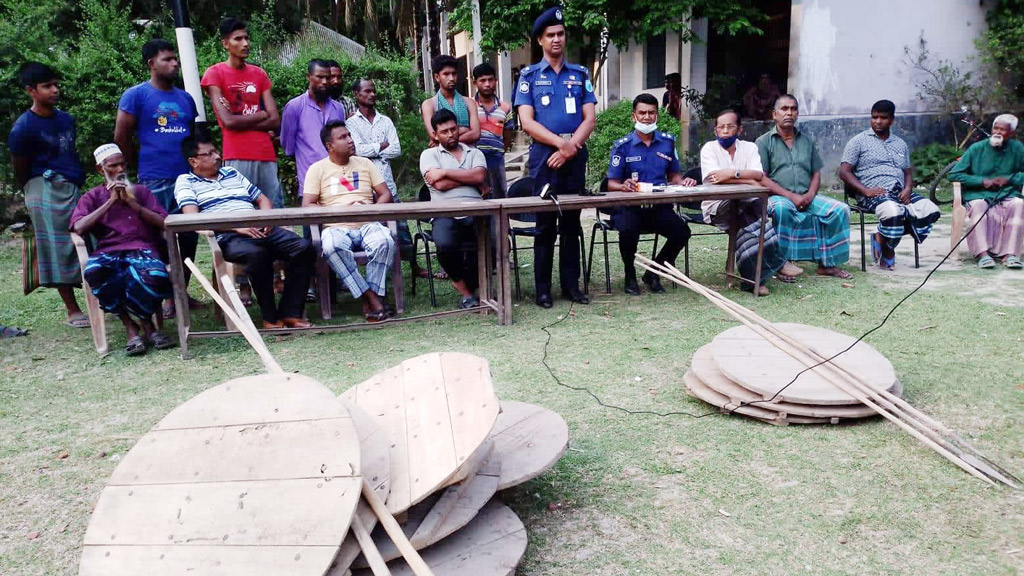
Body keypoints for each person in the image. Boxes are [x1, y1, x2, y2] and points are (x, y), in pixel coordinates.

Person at [174, 135, 314, 329]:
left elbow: (263, 199)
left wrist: (265, 218)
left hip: (259, 226)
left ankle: (291, 312)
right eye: (209, 153)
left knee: (304, 247)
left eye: (216, 151)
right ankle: (270, 318)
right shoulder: (185, 181)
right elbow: (192, 218)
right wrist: (236, 226)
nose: (217, 156)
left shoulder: (231, 173)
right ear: (193, 161)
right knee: (257, 254)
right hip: (229, 235)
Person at [514, 6, 597, 308]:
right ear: (540, 40)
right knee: (545, 224)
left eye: (561, 34)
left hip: (574, 156)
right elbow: (527, 121)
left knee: (572, 224)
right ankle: (543, 290)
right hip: (544, 159)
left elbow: (589, 118)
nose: (557, 39)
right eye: (550, 35)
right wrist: (560, 146)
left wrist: (571, 147)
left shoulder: (580, 75)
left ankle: (571, 287)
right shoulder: (529, 76)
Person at [114, 38, 201, 318]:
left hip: (187, 179)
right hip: (154, 179)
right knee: (159, 238)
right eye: (167, 59)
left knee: (188, 237)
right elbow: (122, 135)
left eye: (175, 59)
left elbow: (192, 140)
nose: (174, 63)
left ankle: (180, 294)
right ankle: (164, 296)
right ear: (152, 64)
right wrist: (126, 173)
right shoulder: (135, 95)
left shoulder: (185, 98)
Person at [70, 144, 175, 355]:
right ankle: (131, 325)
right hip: (109, 252)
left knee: (153, 273)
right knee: (95, 272)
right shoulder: (92, 196)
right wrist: (110, 203)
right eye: (113, 166)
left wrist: (131, 203)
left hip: (142, 249)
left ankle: (146, 325)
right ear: (101, 170)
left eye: (122, 164)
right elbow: (79, 227)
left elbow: (164, 222)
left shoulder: (141, 192)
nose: (120, 170)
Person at [8, 62, 88, 327]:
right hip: (42, 188)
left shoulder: (66, 119)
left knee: (87, 238)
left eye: (56, 84)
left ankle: (99, 300)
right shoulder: (23, 128)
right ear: (31, 90)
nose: (54, 90)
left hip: (72, 186)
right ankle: (72, 310)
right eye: (47, 86)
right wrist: (33, 192)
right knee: (55, 247)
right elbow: (20, 166)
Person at [303, 121, 396, 322]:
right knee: (331, 247)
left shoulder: (365, 164)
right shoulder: (317, 169)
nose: (350, 140)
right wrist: (337, 211)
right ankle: (371, 297)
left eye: (349, 135)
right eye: (343, 137)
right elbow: (307, 204)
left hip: (367, 223)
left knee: (385, 241)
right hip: (336, 226)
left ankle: (372, 298)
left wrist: (370, 210)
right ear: (330, 145)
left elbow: (385, 194)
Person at [606, 93, 694, 295]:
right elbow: (611, 184)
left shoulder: (667, 142)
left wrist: (684, 181)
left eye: (651, 113)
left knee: (681, 232)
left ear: (657, 116)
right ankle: (630, 276)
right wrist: (624, 186)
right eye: (642, 113)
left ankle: (653, 272)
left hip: (658, 207)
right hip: (630, 208)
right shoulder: (622, 146)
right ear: (633, 116)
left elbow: (674, 175)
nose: (647, 117)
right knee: (628, 230)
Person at [755, 94, 852, 279]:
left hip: (807, 196)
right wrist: (792, 197)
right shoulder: (763, 142)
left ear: (798, 113)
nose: (789, 113)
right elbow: (762, 178)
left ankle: (828, 264)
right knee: (783, 210)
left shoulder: (806, 141)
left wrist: (809, 195)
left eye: (793, 109)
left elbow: (816, 173)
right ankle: (780, 265)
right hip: (778, 197)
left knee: (840, 210)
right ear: (774, 114)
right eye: (784, 109)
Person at [839, 100, 940, 270]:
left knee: (931, 210)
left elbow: (907, 172)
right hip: (874, 193)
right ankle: (888, 251)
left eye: (883, 118)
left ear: (892, 119)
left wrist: (908, 189)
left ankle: (882, 237)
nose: (877, 121)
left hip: (900, 192)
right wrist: (866, 191)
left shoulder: (900, 144)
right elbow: (844, 172)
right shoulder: (858, 142)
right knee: (893, 213)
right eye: (874, 117)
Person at [699, 109, 788, 295]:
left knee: (744, 225)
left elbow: (758, 174)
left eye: (730, 127)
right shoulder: (709, 149)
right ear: (715, 131)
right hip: (717, 208)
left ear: (739, 130)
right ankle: (778, 262)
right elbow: (715, 178)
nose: (724, 131)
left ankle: (754, 283)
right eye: (720, 127)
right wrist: (747, 180)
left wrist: (732, 173)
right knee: (749, 206)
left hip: (744, 210)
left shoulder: (749, 148)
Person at [201, 17, 283, 208]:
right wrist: (260, 115)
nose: (245, 43)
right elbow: (228, 122)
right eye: (238, 39)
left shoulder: (259, 74)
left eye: (246, 38)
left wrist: (242, 120)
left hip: (265, 153)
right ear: (225, 43)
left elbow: (275, 119)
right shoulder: (215, 74)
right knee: (240, 209)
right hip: (237, 152)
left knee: (274, 211)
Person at [419, 109, 489, 309]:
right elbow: (439, 185)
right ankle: (466, 293)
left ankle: (478, 286)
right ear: (435, 134)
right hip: (444, 212)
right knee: (445, 245)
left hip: (476, 211)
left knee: (492, 241)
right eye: (444, 131)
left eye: (453, 129)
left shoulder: (474, 152)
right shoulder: (429, 155)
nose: (450, 134)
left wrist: (445, 172)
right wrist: (470, 179)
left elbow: (480, 177)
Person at [947, 114, 1024, 269]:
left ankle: (1010, 254)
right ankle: (982, 254)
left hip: (1007, 193)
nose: (998, 132)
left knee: (1019, 204)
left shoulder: (1018, 148)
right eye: (996, 128)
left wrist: (1008, 179)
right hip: (978, 195)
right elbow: (954, 174)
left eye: (1003, 130)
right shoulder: (977, 148)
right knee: (978, 206)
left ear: (1011, 133)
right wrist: (981, 181)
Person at [280, 59, 346, 201]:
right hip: (310, 186)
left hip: (338, 184)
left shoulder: (338, 108)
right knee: (313, 222)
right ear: (309, 77)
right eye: (319, 77)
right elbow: (288, 148)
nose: (324, 82)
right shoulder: (294, 107)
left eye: (327, 78)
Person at [421, 55, 480, 146]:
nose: (451, 78)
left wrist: (446, 139)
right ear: (437, 77)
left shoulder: (469, 103)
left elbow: (476, 134)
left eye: (454, 73)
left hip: (469, 155)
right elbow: (433, 135)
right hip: (443, 157)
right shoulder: (429, 104)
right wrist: (465, 130)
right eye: (446, 74)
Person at [472, 62, 512, 198]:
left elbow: (508, 137)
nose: (487, 84)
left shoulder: (505, 108)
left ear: (496, 81)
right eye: (482, 80)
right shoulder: (469, 106)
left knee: (499, 200)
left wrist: (498, 151)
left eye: (490, 80)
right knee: (477, 200)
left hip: (496, 161)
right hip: (474, 161)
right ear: (475, 83)